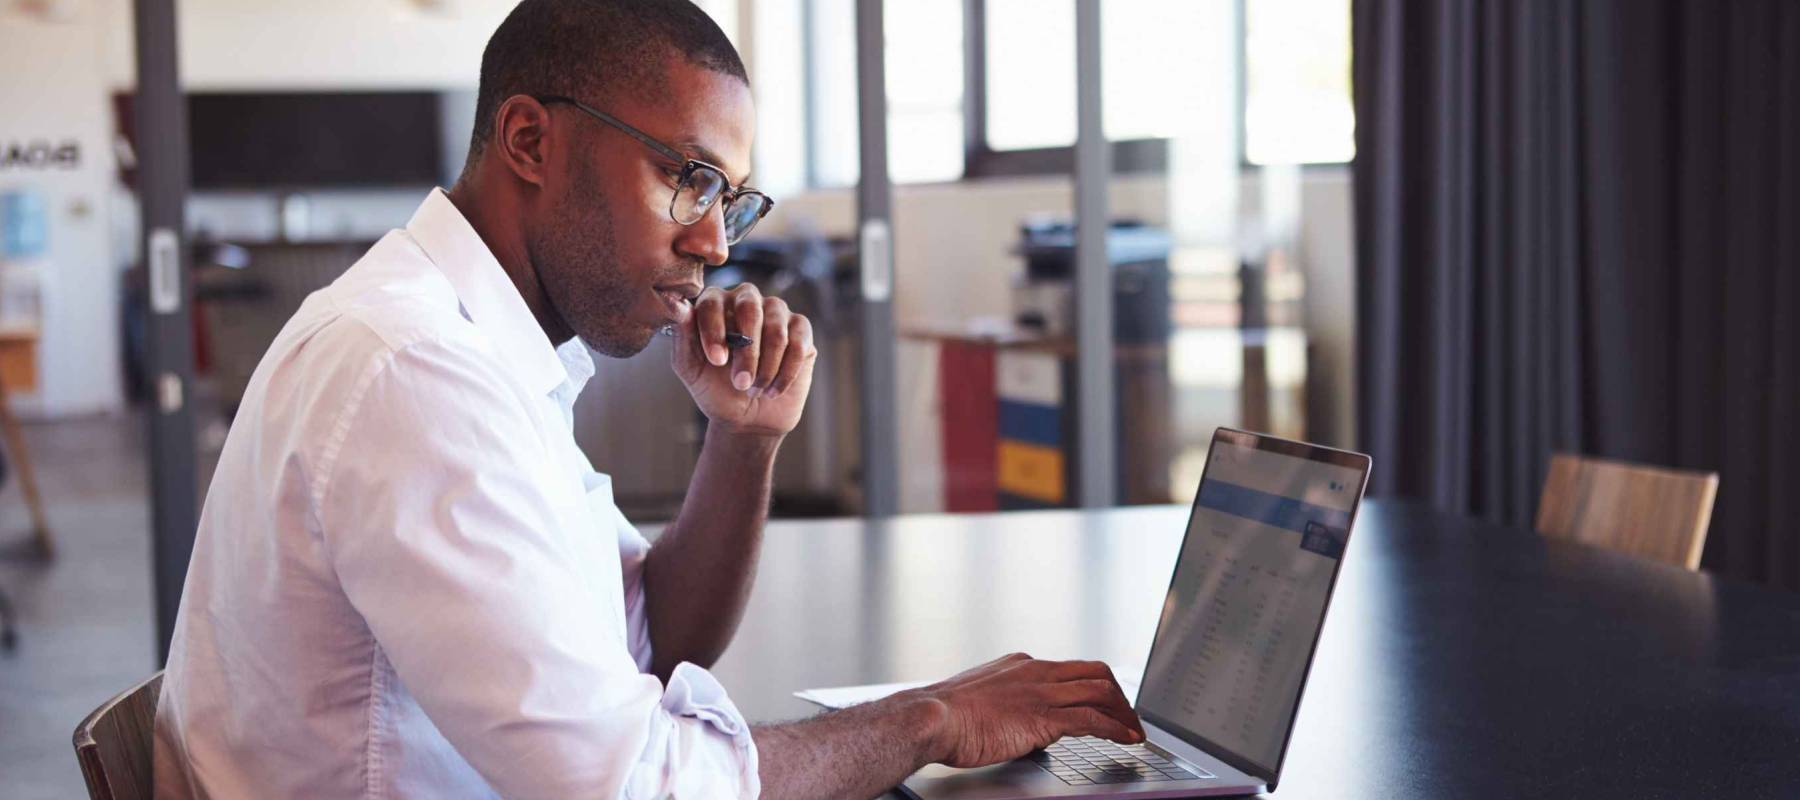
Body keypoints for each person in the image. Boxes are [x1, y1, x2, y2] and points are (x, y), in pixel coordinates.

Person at [151, 1, 1142, 798]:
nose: (716, 242)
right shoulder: (414, 368)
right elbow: (631, 782)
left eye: (732, 200)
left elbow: (651, 636)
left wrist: (743, 439)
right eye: (689, 177)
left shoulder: (478, 350)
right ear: (531, 140)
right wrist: (932, 717)